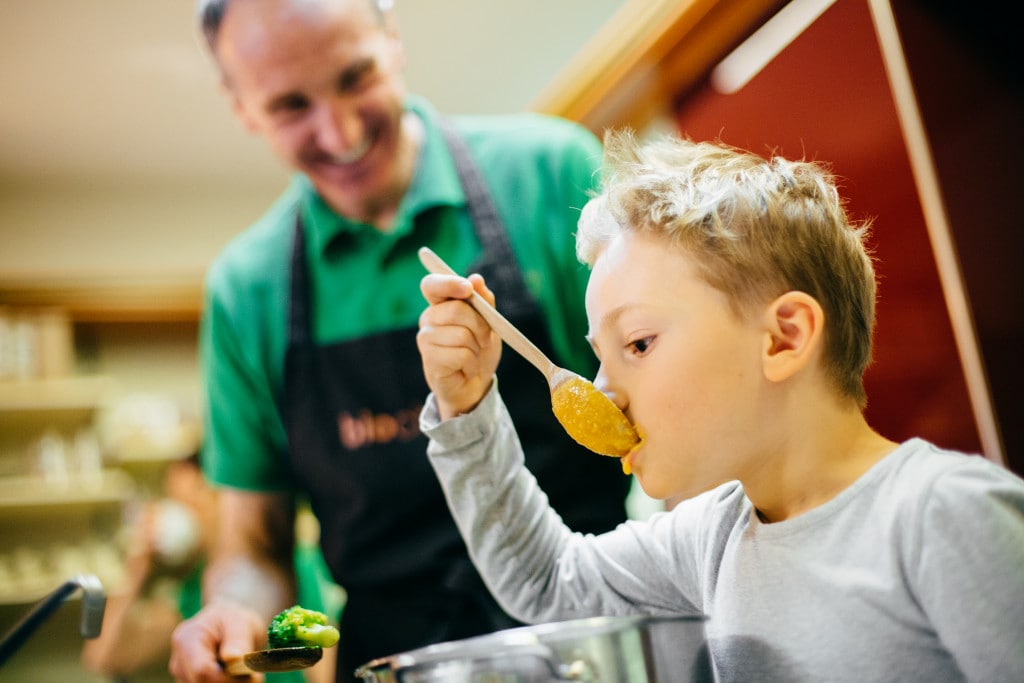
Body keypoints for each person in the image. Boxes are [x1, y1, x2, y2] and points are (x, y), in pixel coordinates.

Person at [415, 130, 1024, 681]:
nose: (602, 389)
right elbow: (545, 578)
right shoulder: (711, 537)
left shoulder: (943, 515)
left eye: (638, 343)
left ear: (783, 338)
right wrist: (464, 406)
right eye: (599, 356)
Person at [169, 0, 632, 680]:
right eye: (292, 106)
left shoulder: (551, 175)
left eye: (355, 78)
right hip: (394, 663)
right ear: (241, 105)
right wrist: (234, 613)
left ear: (393, 39)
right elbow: (254, 544)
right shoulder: (247, 288)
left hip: (595, 644)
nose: (341, 130)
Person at [82, 454, 338, 683]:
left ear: (224, 497)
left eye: (195, 496)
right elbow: (104, 658)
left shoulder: (289, 562)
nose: (187, 511)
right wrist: (139, 563)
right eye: (177, 501)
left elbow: (324, 657)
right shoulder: (188, 589)